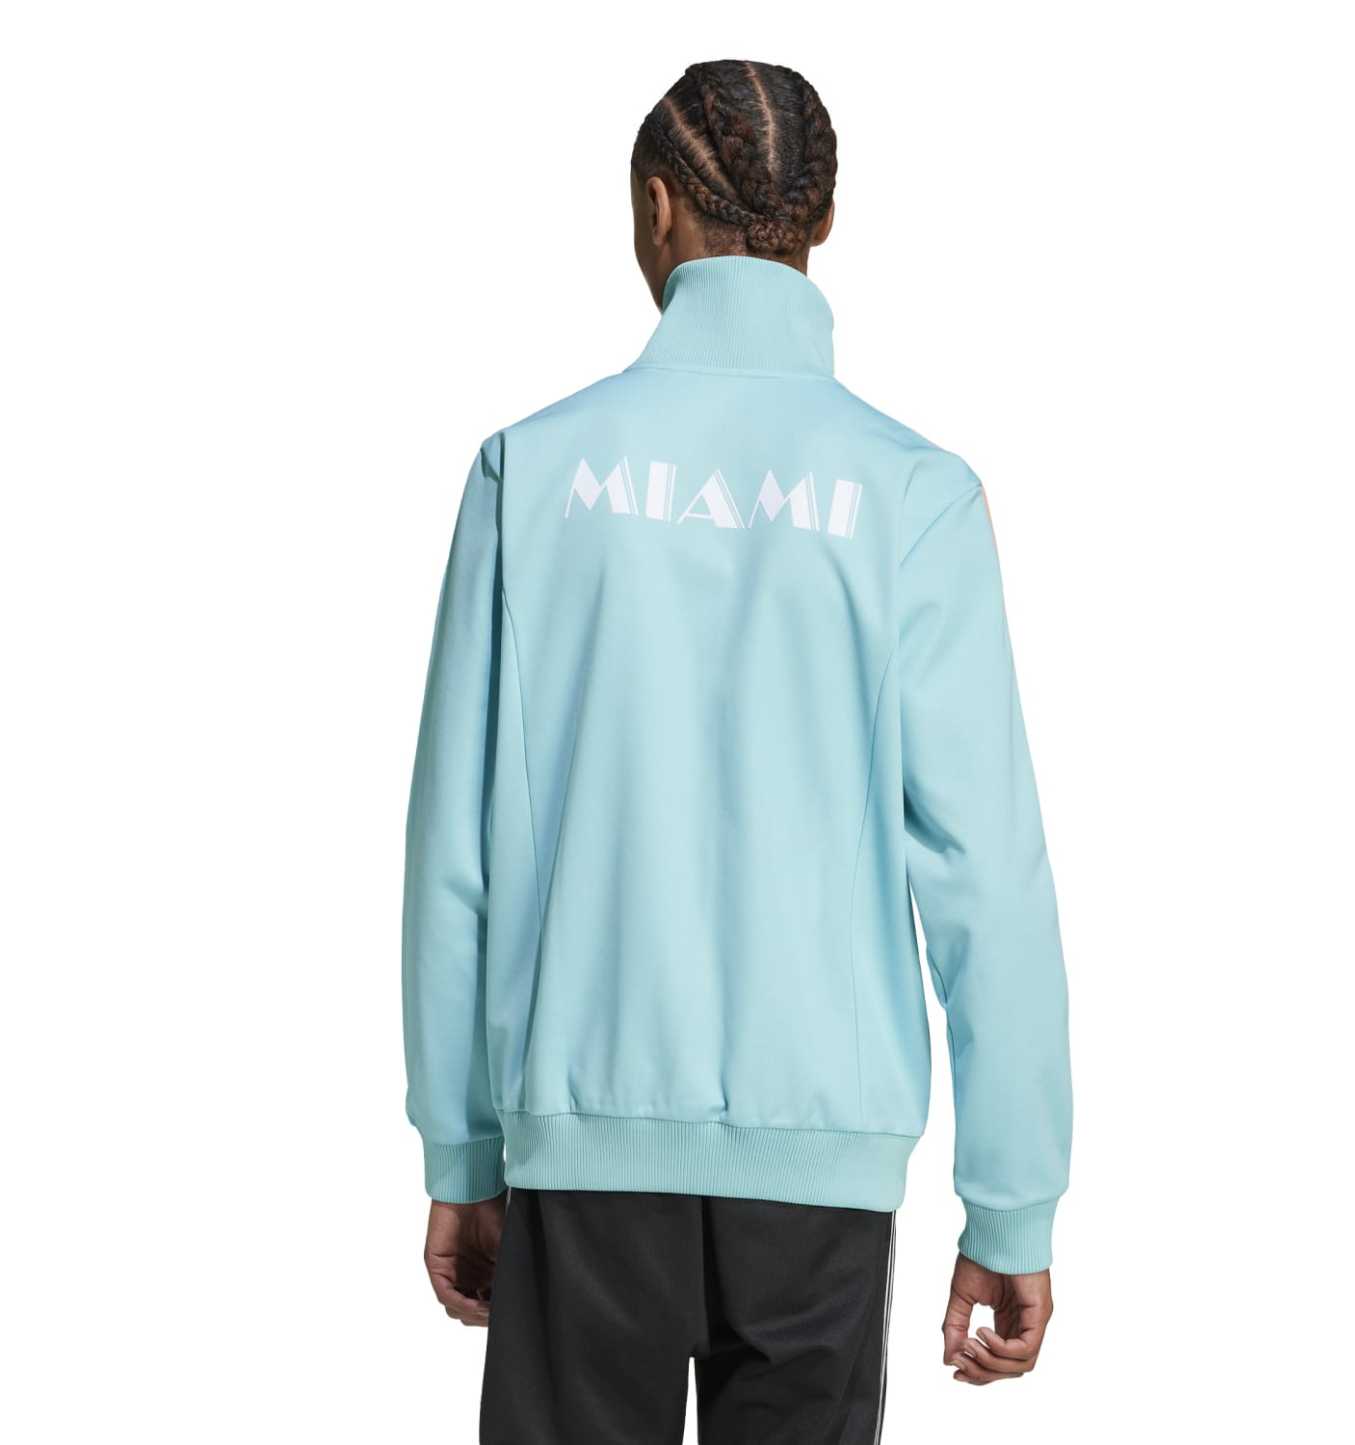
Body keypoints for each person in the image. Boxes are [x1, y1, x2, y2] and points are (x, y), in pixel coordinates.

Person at [403, 59, 1072, 1443]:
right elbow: (986, 875)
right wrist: (1010, 1202)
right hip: (823, 1170)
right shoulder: (915, 497)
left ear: (657, 208)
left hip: (579, 1153)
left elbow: (453, 854)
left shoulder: (529, 473)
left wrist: (462, 1147)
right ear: (820, 220)